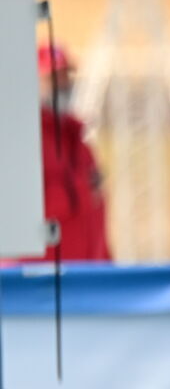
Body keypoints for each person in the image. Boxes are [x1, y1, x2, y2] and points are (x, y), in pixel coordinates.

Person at [25, 42, 111, 263]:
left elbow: (95, 214)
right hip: (36, 279)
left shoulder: (78, 139)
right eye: (52, 78)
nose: (62, 85)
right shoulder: (24, 140)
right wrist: (79, 189)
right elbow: (25, 210)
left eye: (66, 77)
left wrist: (106, 265)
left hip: (84, 277)